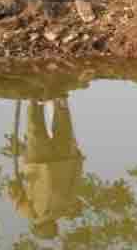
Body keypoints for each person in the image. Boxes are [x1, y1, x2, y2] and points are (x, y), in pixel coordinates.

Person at [8, 97, 84, 241]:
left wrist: (77, 160)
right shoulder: (32, 214)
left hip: (66, 162)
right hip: (39, 165)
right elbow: (13, 191)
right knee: (35, 127)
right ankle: (35, 97)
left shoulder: (66, 207)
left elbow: (76, 185)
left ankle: (58, 96)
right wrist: (17, 183)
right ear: (37, 227)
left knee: (62, 126)